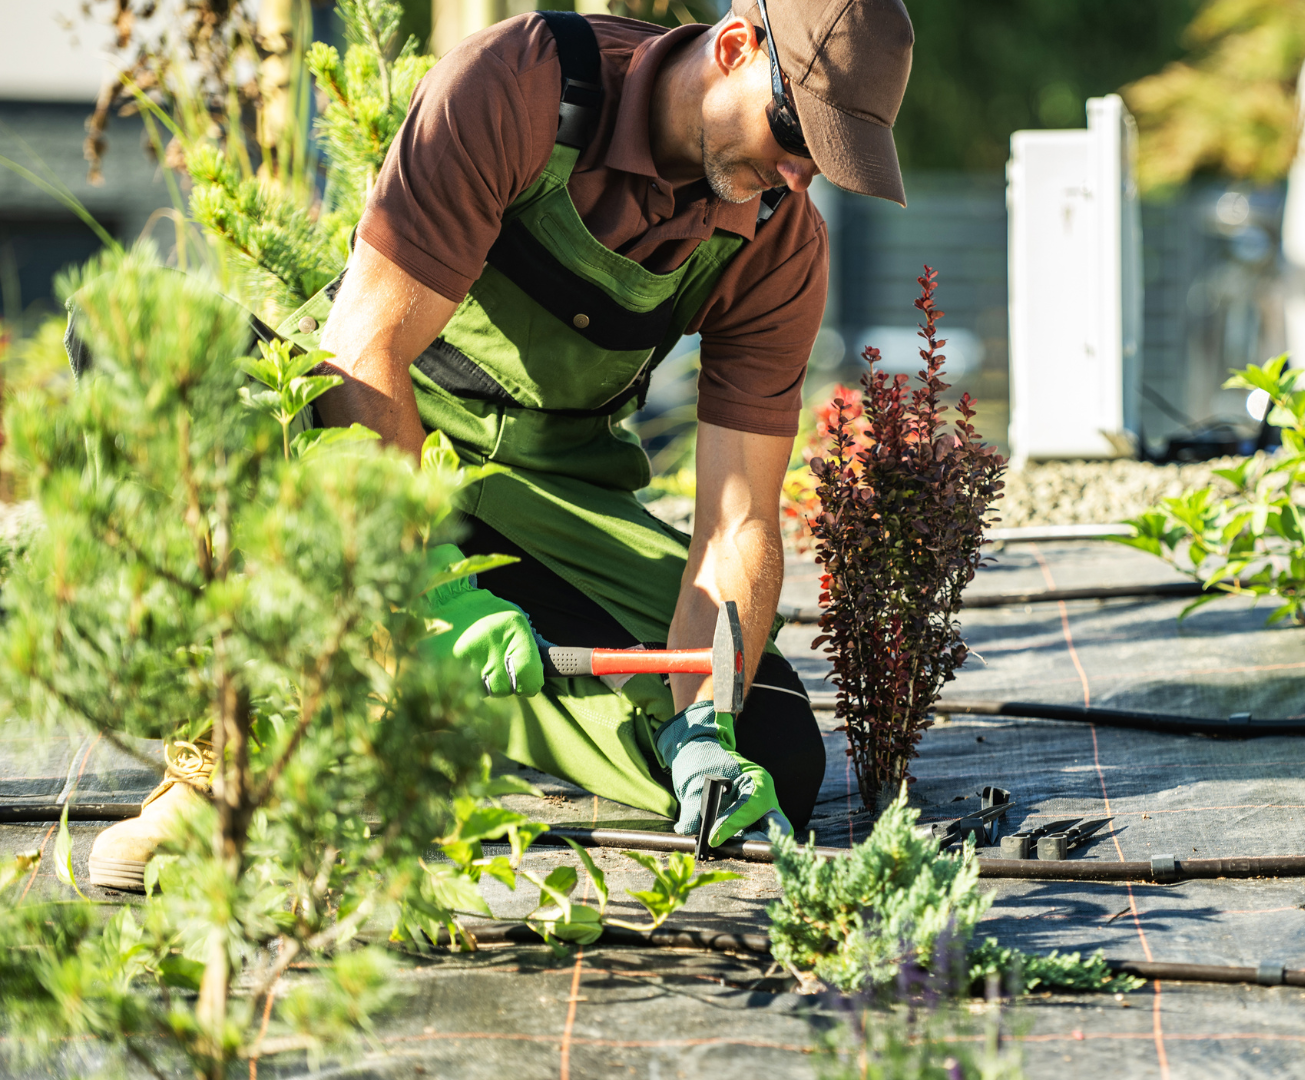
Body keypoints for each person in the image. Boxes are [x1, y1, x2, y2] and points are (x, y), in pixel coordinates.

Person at [86, 0, 914, 891]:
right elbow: (365, 356)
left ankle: (400, 700)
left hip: (543, 510)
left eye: (823, 160)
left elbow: (737, 523)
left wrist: (706, 723)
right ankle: (222, 767)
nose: (796, 176)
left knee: (776, 740)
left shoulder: (777, 244)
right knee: (139, 331)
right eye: (794, 133)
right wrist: (431, 584)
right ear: (735, 46)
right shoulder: (520, 86)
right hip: (366, 452)